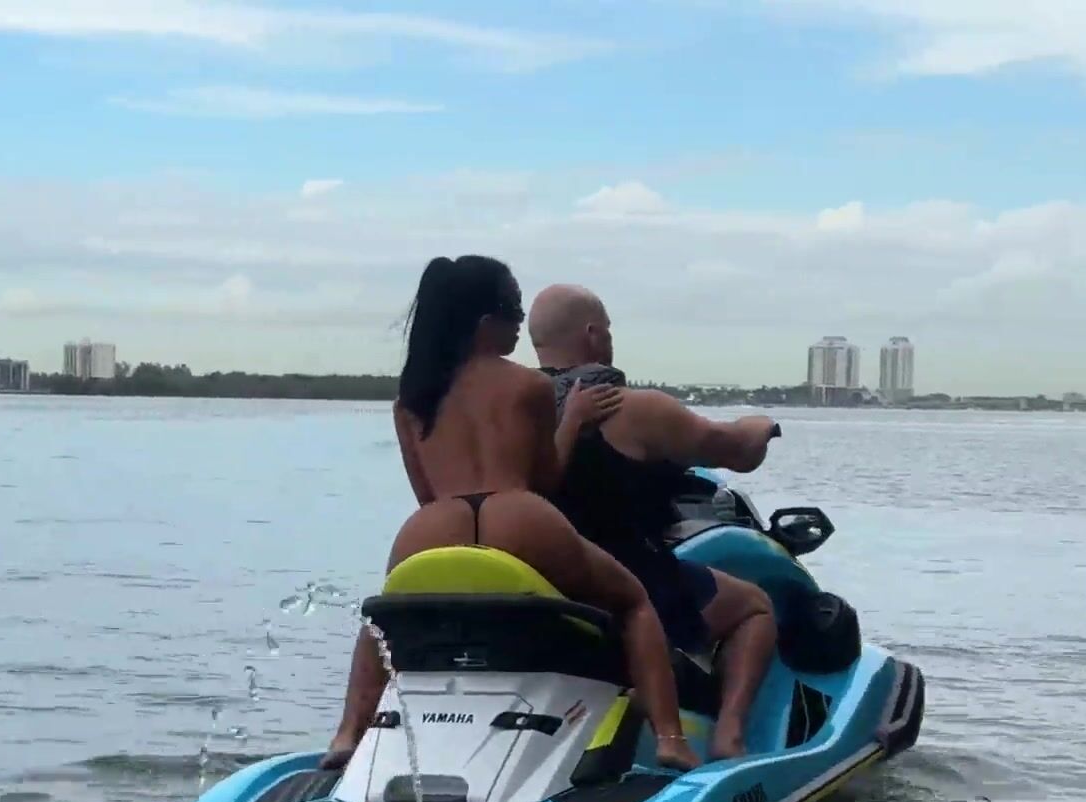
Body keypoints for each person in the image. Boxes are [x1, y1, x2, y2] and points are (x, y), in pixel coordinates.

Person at [320, 256, 700, 774]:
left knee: (382, 620)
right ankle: (671, 739)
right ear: (485, 323)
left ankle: (347, 734)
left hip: (435, 523)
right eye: (514, 311)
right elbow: (545, 480)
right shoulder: (529, 385)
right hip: (517, 514)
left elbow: (425, 492)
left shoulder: (412, 397)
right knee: (634, 603)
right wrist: (573, 421)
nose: (521, 323)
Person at [525, 283, 780, 761]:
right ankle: (729, 737)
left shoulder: (521, 411)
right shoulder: (634, 408)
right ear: (594, 334)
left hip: (547, 586)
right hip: (630, 584)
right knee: (754, 607)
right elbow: (738, 452)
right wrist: (761, 425)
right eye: (608, 330)